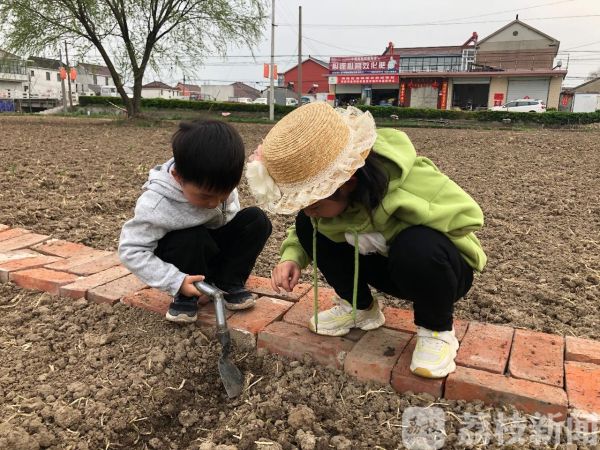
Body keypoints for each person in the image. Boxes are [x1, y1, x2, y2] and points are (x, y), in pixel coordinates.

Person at [246, 103, 486, 378]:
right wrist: (292, 257)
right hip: (384, 267)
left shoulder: (409, 184)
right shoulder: (324, 208)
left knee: (417, 245)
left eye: (313, 202)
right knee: (305, 225)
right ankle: (361, 309)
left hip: (439, 275)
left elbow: (469, 217)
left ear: (346, 182)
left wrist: (395, 221)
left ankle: (437, 329)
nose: (309, 209)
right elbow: (313, 223)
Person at [119, 120, 272, 323]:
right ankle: (186, 295)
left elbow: (228, 224)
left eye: (223, 195)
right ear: (178, 177)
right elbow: (131, 250)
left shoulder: (218, 184)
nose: (214, 203)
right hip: (182, 257)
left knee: (256, 220)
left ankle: (228, 282)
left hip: (209, 248)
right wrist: (175, 281)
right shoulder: (157, 203)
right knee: (191, 236)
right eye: (205, 196)